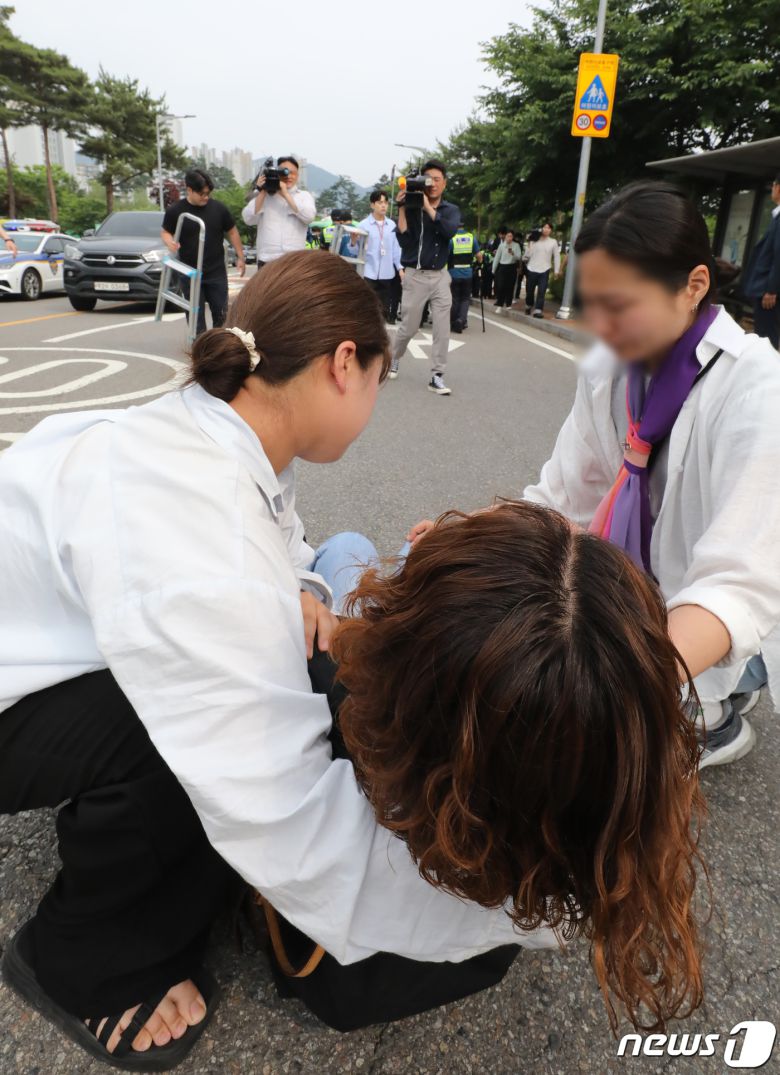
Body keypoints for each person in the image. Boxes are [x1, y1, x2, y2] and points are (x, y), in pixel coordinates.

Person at [0, 252, 555, 1069]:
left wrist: (297, 584)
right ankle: (81, 961)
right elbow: (287, 814)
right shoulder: (202, 520)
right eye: (379, 376)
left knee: (261, 676)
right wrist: (514, 915)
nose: (376, 398)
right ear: (342, 364)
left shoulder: (218, 432)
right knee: (182, 734)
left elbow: (281, 538)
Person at [522, 181, 780, 767]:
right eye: (593, 305)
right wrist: (474, 542)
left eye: (621, 306)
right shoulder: (613, 371)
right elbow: (565, 494)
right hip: (645, 599)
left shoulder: (758, 391)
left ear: (693, 286)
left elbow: (738, 585)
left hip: (724, 619)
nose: (601, 329)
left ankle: (715, 714)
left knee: (609, 751)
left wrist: (623, 693)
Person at [390, 159, 460, 395]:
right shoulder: (412, 208)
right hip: (415, 276)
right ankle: (394, 357)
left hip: (440, 276)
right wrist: (402, 207)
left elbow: (449, 231)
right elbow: (404, 239)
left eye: (436, 180)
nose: (432, 185)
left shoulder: (450, 210)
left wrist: (428, 208)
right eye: (428, 180)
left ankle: (437, 375)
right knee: (409, 327)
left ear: (444, 183)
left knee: (442, 327)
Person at [161, 168, 245, 336]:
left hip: (216, 271)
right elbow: (165, 231)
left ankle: (219, 344)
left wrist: (240, 256)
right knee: (195, 314)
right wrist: (169, 241)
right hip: (190, 272)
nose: (206, 197)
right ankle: (199, 343)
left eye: (208, 193)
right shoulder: (176, 211)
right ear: (189, 190)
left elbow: (233, 231)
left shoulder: (219, 209)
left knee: (221, 312)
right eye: (202, 194)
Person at [241, 155, 316, 266]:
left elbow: (308, 217)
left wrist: (285, 194)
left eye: (292, 173)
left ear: (298, 175)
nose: (288, 176)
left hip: (294, 260)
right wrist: (262, 191)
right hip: (267, 259)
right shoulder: (264, 196)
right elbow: (248, 219)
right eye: (284, 172)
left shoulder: (304, 196)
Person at [741, 173, 780, 348]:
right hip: (766, 289)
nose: (772, 189)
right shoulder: (776, 217)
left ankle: (766, 373)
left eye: (773, 185)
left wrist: (771, 289)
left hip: (767, 291)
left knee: (766, 337)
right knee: (765, 333)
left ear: (778, 188)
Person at [358, 190, 403, 322]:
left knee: (383, 311)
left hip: (386, 273)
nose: (383, 205)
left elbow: (396, 249)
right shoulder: (363, 225)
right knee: (368, 309)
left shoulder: (392, 225)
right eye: (379, 202)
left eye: (385, 202)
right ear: (372, 205)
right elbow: (355, 249)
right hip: (368, 272)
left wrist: (400, 268)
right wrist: (354, 241)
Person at [448, 220, 480, 331]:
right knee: (465, 298)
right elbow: (479, 255)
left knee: (455, 298)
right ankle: (461, 320)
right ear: (463, 226)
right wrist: (479, 263)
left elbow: (446, 255)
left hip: (454, 273)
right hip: (468, 273)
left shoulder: (451, 238)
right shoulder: (471, 238)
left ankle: (453, 321)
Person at [524, 221, 560, 317]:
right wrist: (529, 244)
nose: (546, 229)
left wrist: (556, 271)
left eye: (548, 228)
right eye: (544, 227)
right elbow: (527, 255)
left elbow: (556, 256)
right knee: (530, 291)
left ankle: (538, 310)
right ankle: (528, 305)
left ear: (551, 230)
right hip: (532, 268)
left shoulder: (553, 242)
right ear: (541, 229)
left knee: (542, 291)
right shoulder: (534, 240)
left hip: (545, 269)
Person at [492, 228, 523, 309]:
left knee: (510, 286)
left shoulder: (516, 245)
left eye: (511, 236)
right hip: (503, 267)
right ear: (505, 236)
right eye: (508, 236)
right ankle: (500, 303)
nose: (509, 238)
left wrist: (513, 253)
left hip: (512, 267)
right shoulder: (501, 246)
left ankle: (508, 303)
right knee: (501, 285)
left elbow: (519, 257)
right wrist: (493, 269)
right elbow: (497, 258)